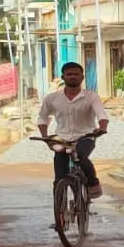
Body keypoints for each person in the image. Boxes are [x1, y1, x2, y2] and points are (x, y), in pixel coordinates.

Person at [37, 62, 109, 198]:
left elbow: (102, 115)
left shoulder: (91, 96)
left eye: (76, 74)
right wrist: (45, 136)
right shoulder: (52, 98)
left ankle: (93, 183)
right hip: (61, 138)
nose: (73, 77)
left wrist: (102, 128)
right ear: (63, 77)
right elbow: (42, 118)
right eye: (69, 74)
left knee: (80, 155)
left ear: (82, 77)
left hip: (85, 137)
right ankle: (59, 210)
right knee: (59, 173)